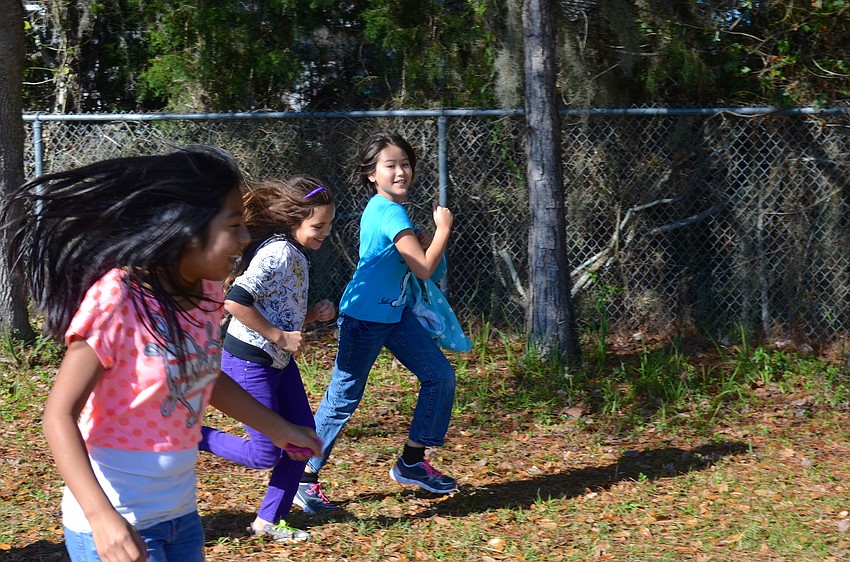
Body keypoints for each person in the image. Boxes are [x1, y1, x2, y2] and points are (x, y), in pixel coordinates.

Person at [3, 146, 322, 562]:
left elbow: (203, 373)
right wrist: (101, 518)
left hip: (181, 517)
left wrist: (278, 429)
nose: (245, 238)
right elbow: (57, 415)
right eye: (233, 225)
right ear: (186, 229)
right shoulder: (118, 299)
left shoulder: (205, 292)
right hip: (119, 522)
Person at [294, 132, 457, 516]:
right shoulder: (389, 211)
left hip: (393, 314)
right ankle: (301, 478)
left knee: (439, 376)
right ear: (371, 174)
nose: (401, 171)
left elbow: (407, 263)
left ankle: (412, 462)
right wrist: (443, 230)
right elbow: (423, 267)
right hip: (365, 318)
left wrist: (420, 240)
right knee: (342, 399)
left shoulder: (383, 208)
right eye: (390, 165)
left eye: (405, 163)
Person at [199, 176, 335, 541]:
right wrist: (280, 336)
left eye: (329, 225)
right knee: (264, 455)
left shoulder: (295, 253)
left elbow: (276, 310)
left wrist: (308, 317)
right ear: (294, 221)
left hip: (277, 360)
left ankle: (269, 520)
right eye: (318, 226)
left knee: (304, 439)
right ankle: (189, 433)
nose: (325, 232)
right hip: (249, 360)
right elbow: (236, 300)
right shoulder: (279, 253)